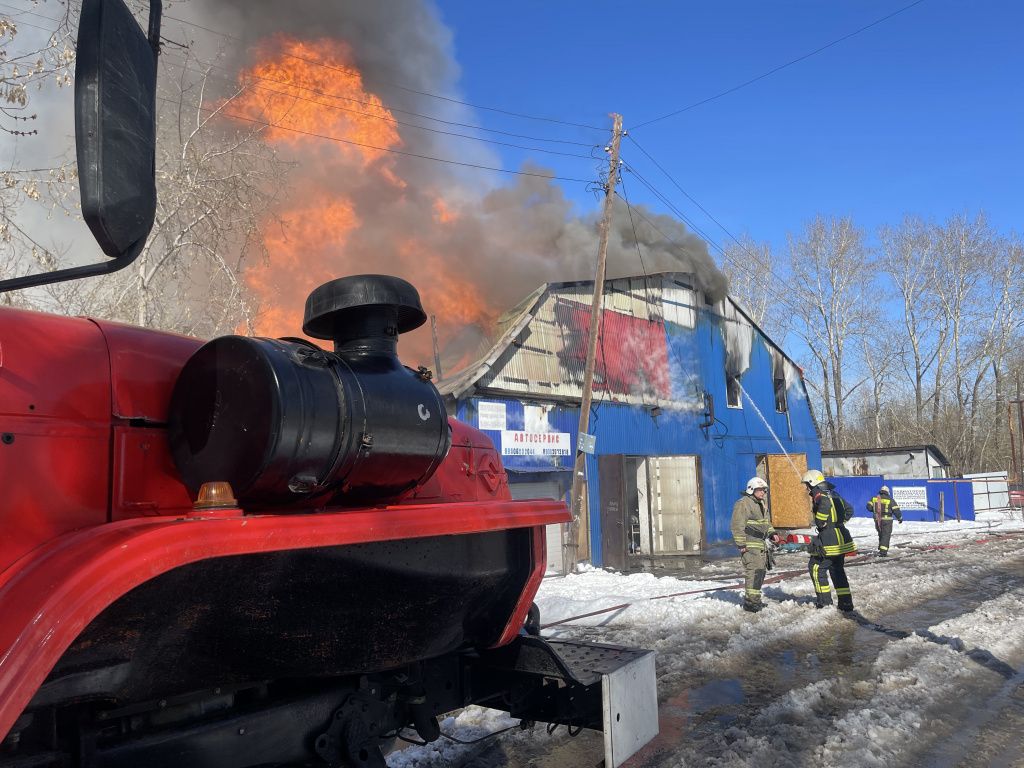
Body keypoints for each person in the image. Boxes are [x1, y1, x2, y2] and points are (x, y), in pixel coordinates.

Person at [801, 469, 856, 612]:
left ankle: (824, 603)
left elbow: (825, 505)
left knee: (816, 568)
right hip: (842, 539)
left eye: (807, 484)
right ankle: (846, 604)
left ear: (812, 483)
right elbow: (850, 510)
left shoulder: (820, 495)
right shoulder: (835, 494)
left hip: (829, 540)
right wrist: (838, 522)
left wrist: (821, 522)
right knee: (837, 570)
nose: (806, 487)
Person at [731, 476, 782, 613]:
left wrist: (772, 533)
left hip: (760, 544)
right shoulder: (743, 503)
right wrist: (741, 544)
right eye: (760, 490)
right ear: (751, 489)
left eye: (764, 490)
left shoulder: (761, 503)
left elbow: (766, 523)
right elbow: (737, 525)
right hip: (749, 544)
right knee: (753, 571)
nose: (763, 493)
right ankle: (751, 603)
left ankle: (754, 600)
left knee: (760, 572)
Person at [867, 485, 902, 557]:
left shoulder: (874, 498)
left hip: (877, 520)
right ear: (888, 492)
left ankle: (881, 548)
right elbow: (896, 510)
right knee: (886, 535)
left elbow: (868, 507)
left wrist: (875, 510)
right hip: (887, 520)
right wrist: (900, 518)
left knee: (881, 534)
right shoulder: (890, 500)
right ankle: (883, 552)